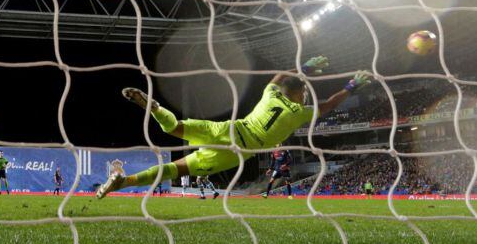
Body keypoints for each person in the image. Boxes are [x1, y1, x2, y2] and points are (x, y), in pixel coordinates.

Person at [96, 57, 371, 198]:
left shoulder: (270, 94)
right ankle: (127, 181)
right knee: (176, 169)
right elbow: (330, 104)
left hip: (227, 130)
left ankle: (155, 109)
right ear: (298, 95)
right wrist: (350, 86)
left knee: (174, 128)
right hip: (238, 152)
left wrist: (304, 68)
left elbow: (280, 77)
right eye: (304, 93)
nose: (306, 97)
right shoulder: (301, 112)